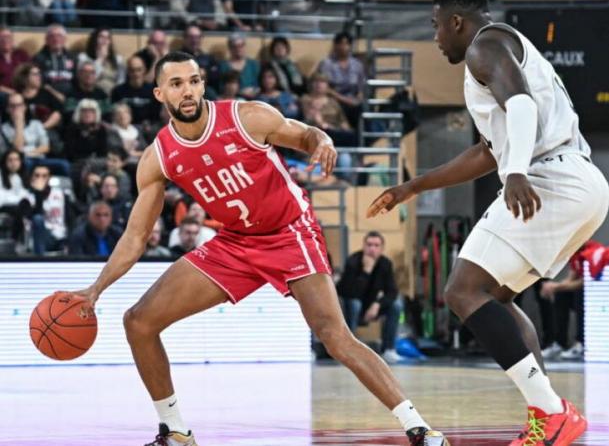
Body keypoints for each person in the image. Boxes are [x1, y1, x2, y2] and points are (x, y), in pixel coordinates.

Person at [65, 51, 448, 446]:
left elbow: (306, 134)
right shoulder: (158, 157)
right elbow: (134, 237)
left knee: (332, 334)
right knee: (139, 322)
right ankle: (176, 431)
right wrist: (96, 289)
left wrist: (324, 140)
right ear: (160, 93)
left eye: (194, 80)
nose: (188, 90)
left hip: (289, 231)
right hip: (235, 243)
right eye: (177, 84)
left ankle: (419, 428)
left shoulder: (247, 117)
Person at [367, 0, 609, 444]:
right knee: (495, 295)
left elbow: (521, 107)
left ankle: (553, 412)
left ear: (456, 21)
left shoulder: (486, 44)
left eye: (437, 26)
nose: (436, 38)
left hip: (547, 175)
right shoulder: (495, 52)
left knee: (462, 290)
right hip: (577, 180)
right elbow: (486, 152)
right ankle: (547, 416)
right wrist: (414, 186)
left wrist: (516, 170)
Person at [337, 231, 404, 363]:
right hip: (352, 305)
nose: (372, 249)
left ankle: (389, 349)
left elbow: (392, 291)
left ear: (382, 248)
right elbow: (348, 292)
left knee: (396, 305)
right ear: (364, 246)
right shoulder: (353, 262)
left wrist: (377, 304)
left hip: (372, 305)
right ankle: (349, 350)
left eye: (376, 245)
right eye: (369, 245)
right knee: (355, 304)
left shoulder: (386, 264)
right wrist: (366, 272)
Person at [2, 93, 71, 176]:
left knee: (64, 164)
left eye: (19, 105)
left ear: (25, 107)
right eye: (13, 106)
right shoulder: (3, 129)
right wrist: (18, 125)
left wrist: (29, 154)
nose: (17, 109)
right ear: (7, 109)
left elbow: (45, 147)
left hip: (39, 159)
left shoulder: (36, 124)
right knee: (26, 163)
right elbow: (18, 149)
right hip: (18, 162)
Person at [316, 32, 365, 126]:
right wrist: (344, 99)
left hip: (353, 100)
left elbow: (361, 87)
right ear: (335, 45)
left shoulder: (357, 65)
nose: (343, 47)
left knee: (361, 110)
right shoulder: (326, 64)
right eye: (340, 43)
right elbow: (324, 88)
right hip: (333, 99)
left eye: (346, 44)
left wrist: (359, 96)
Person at [28, 165, 68, 255]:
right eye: (37, 175)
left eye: (44, 176)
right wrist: (38, 192)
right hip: (42, 238)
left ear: (49, 178)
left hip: (61, 236)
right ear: (32, 178)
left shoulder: (60, 194)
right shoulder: (26, 197)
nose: (40, 179)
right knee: (38, 219)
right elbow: (35, 215)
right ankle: (39, 260)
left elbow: (70, 217)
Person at [111, 55, 160, 126]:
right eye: (132, 70)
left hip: (147, 129)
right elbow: (114, 115)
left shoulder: (153, 91)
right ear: (127, 71)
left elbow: (157, 116)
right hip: (124, 128)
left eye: (139, 70)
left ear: (145, 70)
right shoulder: (118, 91)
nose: (136, 73)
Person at [78, 27, 126, 95]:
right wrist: (100, 59)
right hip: (92, 94)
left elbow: (121, 81)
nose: (104, 40)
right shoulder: (84, 58)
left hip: (113, 94)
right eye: (101, 37)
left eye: (107, 38)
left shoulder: (118, 59)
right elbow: (89, 79)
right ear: (95, 39)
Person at [32, 24, 77, 97]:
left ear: (65, 39)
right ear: (46, 40)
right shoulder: (38, 59)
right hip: (47, 96)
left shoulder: (73, 57)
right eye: (52, 36)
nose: (56, 39)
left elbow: (77, 80)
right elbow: (37, 82)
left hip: (70, 96)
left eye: (59, 36)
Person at [218, 34, 260, 98]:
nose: (238, 49)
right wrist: (240, 92)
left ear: (244, 46)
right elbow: (221, 87)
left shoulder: (253, 64)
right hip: (231, 99)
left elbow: (260, 84)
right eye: (234, 46)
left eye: (241, 46)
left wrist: (254, 91)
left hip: (253, 99)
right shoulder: (223, 66)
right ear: (230, 48)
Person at [0, 26, 30, 95]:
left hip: (24, 91)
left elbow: (31, 73)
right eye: (2, 37)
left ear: (13, 39)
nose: (5, 40)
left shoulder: (22, 54)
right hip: (4, 94)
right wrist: (12, 92)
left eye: (8, 37)